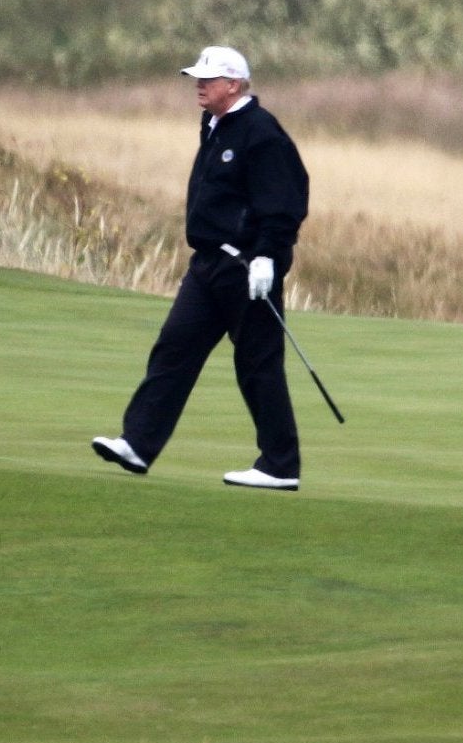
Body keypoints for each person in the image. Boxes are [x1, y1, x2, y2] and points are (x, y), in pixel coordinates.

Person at [93, 46, 311, 491]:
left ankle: (280, 465)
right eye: (198, 77)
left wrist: (269, 255)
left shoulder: (261, 134)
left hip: (247, 267)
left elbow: (285, 202)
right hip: (208, 264)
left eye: (208, 78)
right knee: (173, 349)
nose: (199, 84)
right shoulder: (214, 126)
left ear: (234, 85)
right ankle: (138, 443)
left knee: (257, 365)